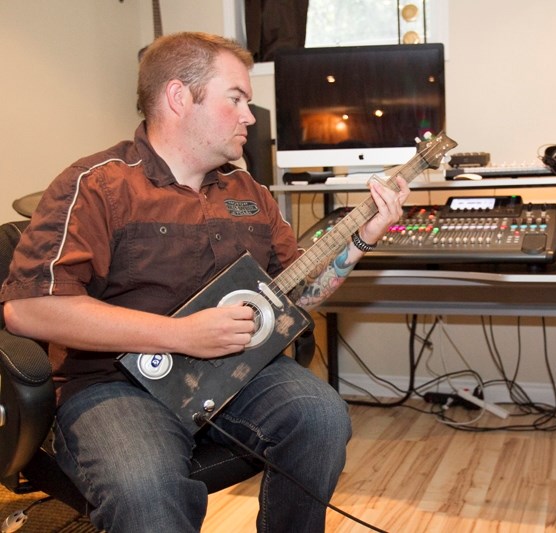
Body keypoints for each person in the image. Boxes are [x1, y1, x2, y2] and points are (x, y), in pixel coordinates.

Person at [0, 32, 410, 532]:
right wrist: (180, 334)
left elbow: (295, 293)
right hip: (113, 384)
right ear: (179, 97)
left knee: (321, 417)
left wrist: (359, 241)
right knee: (146, 488)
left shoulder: (248, 192)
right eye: (236, 99)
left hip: (235, 373)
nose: (250, 117)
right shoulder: (98, 185)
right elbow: (30, 310)